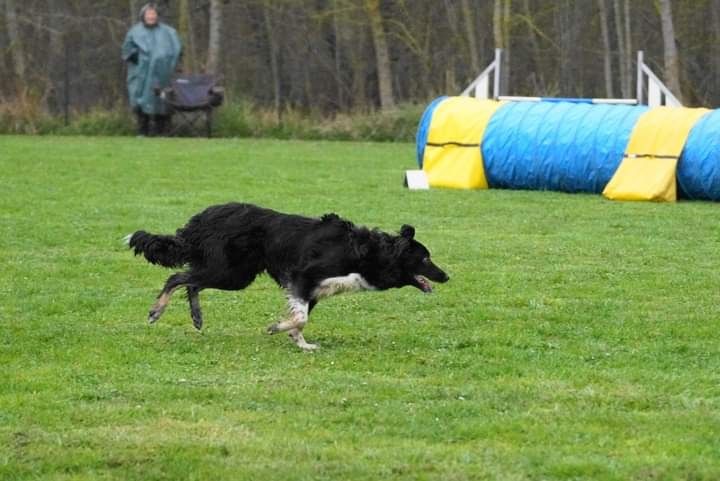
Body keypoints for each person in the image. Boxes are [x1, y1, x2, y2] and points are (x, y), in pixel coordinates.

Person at [121, 3, 182, 136]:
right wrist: (139, 56)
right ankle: (142, 131)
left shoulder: (168, 32)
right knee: (140, 100)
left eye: (153, 14)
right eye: (148, 14)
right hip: (140, 74)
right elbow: (126, 50)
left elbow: (177, 49)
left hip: (163, 74)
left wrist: (166, 61)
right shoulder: (134, 31)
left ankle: (162, 131)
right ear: (143, 15)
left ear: (157, 15)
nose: (151, 16)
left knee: (162, 99)